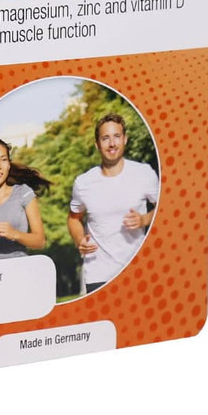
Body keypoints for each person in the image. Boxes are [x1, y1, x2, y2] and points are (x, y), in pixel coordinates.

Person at [67, 113, 160, 293]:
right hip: (98, 274)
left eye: (117, 136)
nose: (112, 143)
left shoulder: (144, 173)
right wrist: (79, 240)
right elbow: (73, 218)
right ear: (97, 144)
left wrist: (144, 219)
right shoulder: (84, 183)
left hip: (137, 270)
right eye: (105, 138)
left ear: (125, 139)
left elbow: (165, 209)